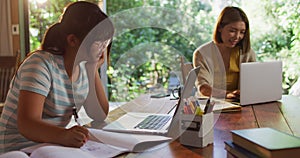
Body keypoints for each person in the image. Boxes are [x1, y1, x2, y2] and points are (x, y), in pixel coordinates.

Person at [0, 1, 114, 153]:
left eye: (106, 41)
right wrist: (64, 135)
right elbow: (27, 124)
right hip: (19, 149)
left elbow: (98, 114)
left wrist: (92, 68)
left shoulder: (83, 66)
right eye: (98, 41)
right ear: (72, 40)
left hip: (49, 146)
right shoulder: (41, 64)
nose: (104, 47)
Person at [193, 6, 256, 99]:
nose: (237, 37)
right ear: (220, 28)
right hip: (210, 105)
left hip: (240, 105)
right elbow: (203, 88)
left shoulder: (247, 53)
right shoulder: (201, 53)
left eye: (242, 32)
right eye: (232, 31)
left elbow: (253, 85)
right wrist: (227, 94)